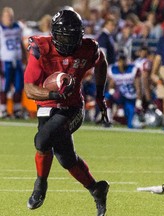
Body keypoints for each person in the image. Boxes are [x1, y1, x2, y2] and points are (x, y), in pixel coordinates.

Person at [24, 9, 110, 216]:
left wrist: (99, 95)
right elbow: (29, 88)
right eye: (64, 35)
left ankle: (40, 185)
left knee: (42, 141)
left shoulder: (89, 48)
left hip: (72, 109)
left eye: (73, 35)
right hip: (47, 105)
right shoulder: (41, 48)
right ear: (54, 33)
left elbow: (101, 63)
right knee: (65, 158)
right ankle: (96, 189)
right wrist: (54, 93)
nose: (69, 41)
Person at [0, 7, 27, 118]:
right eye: (7, 16)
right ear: (2, 17)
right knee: (4, 87)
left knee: (19, 86)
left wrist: (25, 57)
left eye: (11, 16)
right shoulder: (0, 28)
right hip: (5, 61)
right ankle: (3, 110)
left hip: (18, 61)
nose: (9, 18)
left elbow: (20, 43)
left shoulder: (18, 27)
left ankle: (17, 110)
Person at [105, 51, 142, 128]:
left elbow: (138, 87)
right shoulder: (113, 69)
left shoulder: (133, 69)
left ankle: (132, 119)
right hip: (119, 97)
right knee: (107, 96)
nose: (122, 62)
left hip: (130, 97)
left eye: (123, 60)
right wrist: (112, 92)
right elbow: (111, 86)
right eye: (120, 60)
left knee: (130, 124)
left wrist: (139, 101)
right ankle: (108, 120)